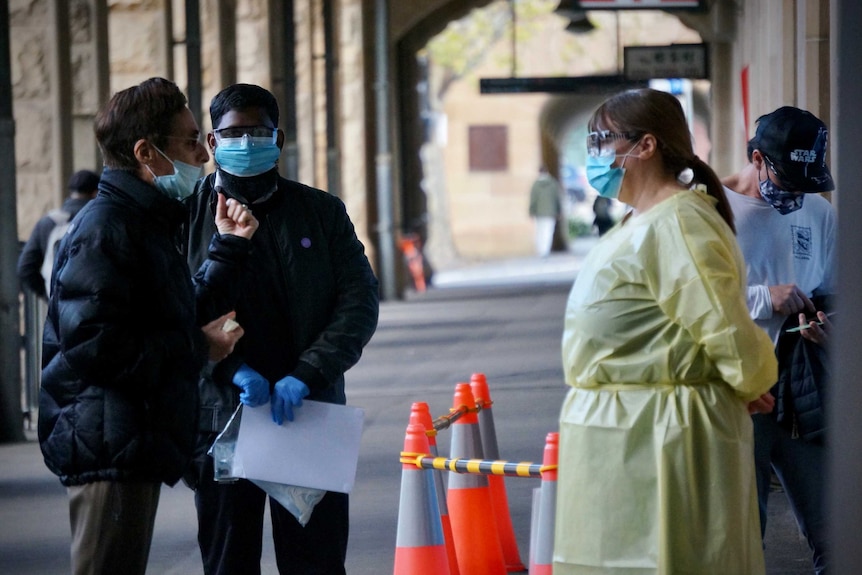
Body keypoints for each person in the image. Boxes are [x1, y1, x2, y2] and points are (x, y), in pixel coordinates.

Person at [37, 77, 259, 575]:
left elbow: (174, 312)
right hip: (108, 443)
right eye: (190, 141)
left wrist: (228, 248)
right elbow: (96, 343)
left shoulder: (143, 223)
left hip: (128, 439)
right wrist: (198, 348)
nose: (204, 156)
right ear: (147, 152)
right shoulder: (106, 228)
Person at [554, 88, 778, 574]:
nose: (595, 153)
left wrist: (749, 380)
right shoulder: (646, 220)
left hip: (664, 436)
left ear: (646, 145)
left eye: (602, 139)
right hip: (630, 432)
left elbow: (726, 328)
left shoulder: (679, 223)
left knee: (671, 558)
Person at [182, 83, 380, 575]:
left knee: (316, 560)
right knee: (229, 560)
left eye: (258, 132)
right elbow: (180, 309)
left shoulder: (320, 211)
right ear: (212, 143)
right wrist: (232, 371)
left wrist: (310, 371)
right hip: (221, 417)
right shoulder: (184, 217)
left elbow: (358, 302)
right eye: (234, 133)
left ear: (280, 138)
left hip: (307, 413)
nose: (246, 143)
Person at [722, 106, 835, 575]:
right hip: (738, 390)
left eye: (807, 183)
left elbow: (835, 288)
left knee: (835, 528)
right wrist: (762, 298)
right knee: (746, 533)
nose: (797, 195)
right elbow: (687, 299)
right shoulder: (712, 209)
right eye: (787, 180)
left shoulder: (820, 211)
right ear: (757, 159)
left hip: (802, 384)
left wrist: (830, 325)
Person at [17, 169, 100, 299]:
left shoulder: (47, 222)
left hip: (59, 302)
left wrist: (48, 296)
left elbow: (25, 268)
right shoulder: (100, 219)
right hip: (95, 304)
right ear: (96, 193)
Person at [528, 166, 561, 257]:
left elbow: (533, 199)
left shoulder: (536, 185)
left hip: (539, 212)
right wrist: (558, 211)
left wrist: (531, 211)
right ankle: (546, 251)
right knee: (548, 232)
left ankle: (540, 250)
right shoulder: (553, 183)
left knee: (539, 231)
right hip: (551, 212)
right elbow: (557, 199)